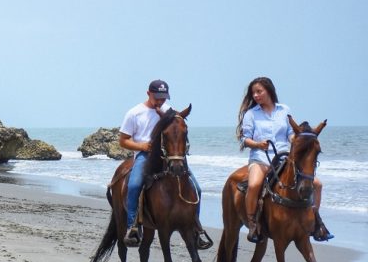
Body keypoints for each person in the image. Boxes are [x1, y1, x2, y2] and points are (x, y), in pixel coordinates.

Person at [118, 79, 213, 249]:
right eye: (157, 97)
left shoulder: (170, 112)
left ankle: (196, 228)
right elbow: (123, 141)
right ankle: (132, 226)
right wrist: (141, 146)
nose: (161, 101)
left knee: (196, 188)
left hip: (168, 157)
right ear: (148, 93)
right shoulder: (134, 113)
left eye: (164, 97)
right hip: (145, 156)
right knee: (133, 185)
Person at [236, 76, 333, 243]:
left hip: (283, 159)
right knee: (254, 185)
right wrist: (258, 144)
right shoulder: (251, 114)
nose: (256, 96)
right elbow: (244, 139)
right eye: (254, 93)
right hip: (260, 159)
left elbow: (290, 133)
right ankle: (253, 222)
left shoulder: (284, 110)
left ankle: (316, 220)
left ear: (269, 91)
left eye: (259, 91)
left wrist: (296, 140)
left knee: (317, 184)